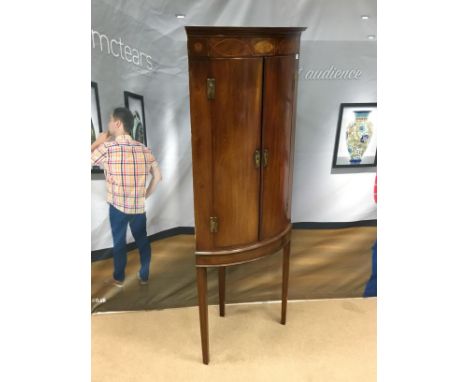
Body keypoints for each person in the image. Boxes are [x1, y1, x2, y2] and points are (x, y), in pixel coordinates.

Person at [91, 107, 162, 287]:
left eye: (109, 120)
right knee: (143, 240)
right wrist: (144, 195)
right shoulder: (144, 149)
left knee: (119, 242)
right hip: (138, 208)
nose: (107, 124)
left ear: (117, 124)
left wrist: (97, 142)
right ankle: (144, 275)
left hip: (117, 206)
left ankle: (119, 278)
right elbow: (158, 177)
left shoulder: (107, 148)